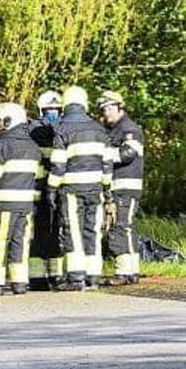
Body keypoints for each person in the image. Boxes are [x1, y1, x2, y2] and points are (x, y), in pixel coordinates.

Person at [48, 86, 113, 291]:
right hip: (96, 189)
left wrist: (51, 189)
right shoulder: (99, 129)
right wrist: (108, 193)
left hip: (71, 189)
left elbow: (58, 164)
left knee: (73, 231)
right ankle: (93, 276)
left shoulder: (62, 129)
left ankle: (76, 278)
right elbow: (108, 165)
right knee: (92, 230)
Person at [0, 103, 42, 296]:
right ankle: (19, 282)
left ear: (8, 120)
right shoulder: (33, 146)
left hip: (4, 204)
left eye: (1, 121)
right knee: (20, 243)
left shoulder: (2, 144)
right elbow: (36, 178)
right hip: (26, 205)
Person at [97, 90, 145, 285]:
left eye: (109, 108)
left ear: (120, 107)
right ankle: (131, 271)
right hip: (120, 186)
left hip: (125, 186)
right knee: (126, 227)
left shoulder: (129, 129)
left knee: (120, 226)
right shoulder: (114, 129)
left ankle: (123, 272)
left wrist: (102, 155)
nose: (106, 112)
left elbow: (128, 153)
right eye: (103, 109)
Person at [29, 90, 66, 289]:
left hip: (53, 190)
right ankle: (38, 276)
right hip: (41, 191)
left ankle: (55, 273)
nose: (53, 113)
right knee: (40, 233)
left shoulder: (35, 131)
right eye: (49, 110)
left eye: (56, 110)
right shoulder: (35, 132)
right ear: (41, 111)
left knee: (55, 233)